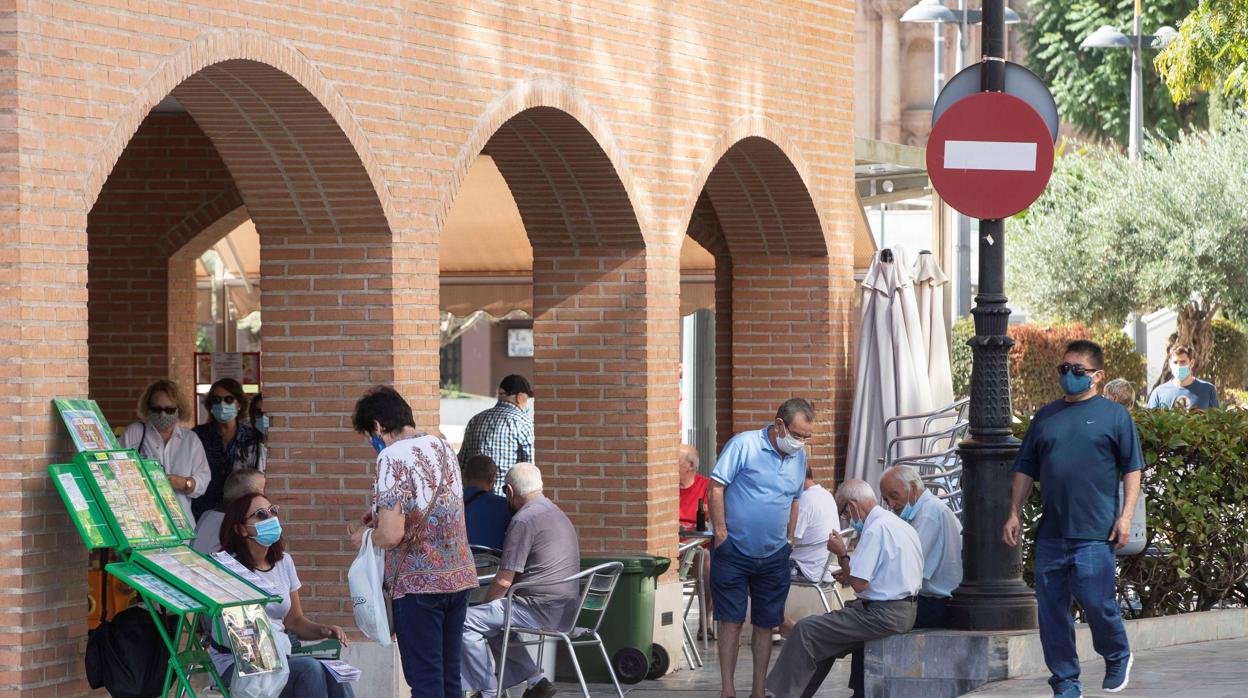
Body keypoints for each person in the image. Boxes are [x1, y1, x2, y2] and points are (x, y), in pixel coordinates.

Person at [1003, 339, 1143, 698]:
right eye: (1064, 369)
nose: (1069, 376)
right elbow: (1024, 469)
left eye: (1077, 371)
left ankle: (1117, 653)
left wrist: (1125, 517)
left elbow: (1132, 470)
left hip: (1096, 531)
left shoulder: (1115, 417)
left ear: (1097, 376)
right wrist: (1013, 513)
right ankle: (1065, 682)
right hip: (1051, 532)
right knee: (1052, 616)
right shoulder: (1045, 417)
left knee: (1097, 602)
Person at [350, 386, 476, 698]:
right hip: (458, 574)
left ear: (378, 426)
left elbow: (391, 535)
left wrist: (365, 538)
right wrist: (379, 511)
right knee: (449, 677)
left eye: (369, 435)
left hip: (418, 585)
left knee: (425, 680)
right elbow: (432, 500)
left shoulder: (390, 456)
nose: (372, 442)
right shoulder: (442, 444)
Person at [765, 480, 922, 698]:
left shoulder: (875, 529)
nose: (847, 520)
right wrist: (847, 571)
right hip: (899, 609)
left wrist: (842, 553)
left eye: (844, 513)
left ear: (852, 506)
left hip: (883, 614)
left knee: (806, 630)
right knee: (821, 639)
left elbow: (859, 584)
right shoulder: (896, 524)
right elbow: (879, 576)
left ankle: (780, 694)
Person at [709, 398, 812, 698]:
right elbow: (716, 486)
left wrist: (790, 538)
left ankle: (758, 692)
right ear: (779, 424)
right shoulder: (744, 445)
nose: (801, 442)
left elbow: (795, 497)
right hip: (734, 550)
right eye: (798, 435)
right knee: (730, 621)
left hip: (774, 553)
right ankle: (727, 690)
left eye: (807, 437)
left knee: (767, 624)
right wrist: (721, 534)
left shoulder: (799, 457)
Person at [211, 492, 352, 697]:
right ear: (241, 529)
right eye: (260, 515)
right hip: (242, 663)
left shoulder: (284, 562)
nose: (271, 519)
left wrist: (324, 630)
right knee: (309, 670)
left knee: (335, 672)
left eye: (273, 511)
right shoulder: (228, 569)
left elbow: (294, 621)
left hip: (282, 654)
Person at [461, 463, 576, 698]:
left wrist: (485, 605)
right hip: (566, 609)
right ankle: (535, 681)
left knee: (464, 621)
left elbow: (504, 581)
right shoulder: (556, 512)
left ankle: (487, 691)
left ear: (510, 492)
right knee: (494, 620)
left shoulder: (524, 520)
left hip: (538, 609)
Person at [879, 465, 961, 629]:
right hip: (932, 600)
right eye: (887, 500)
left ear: (913, 488)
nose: (891, 505)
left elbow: (908, 568)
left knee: (873, 619)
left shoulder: (929, 513)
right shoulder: (922, 511)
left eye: (894, 496)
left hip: (939, 603)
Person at [121, 379, 210, 523]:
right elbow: (119, 472)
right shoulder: (135, 433)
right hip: (143, 521)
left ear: (179, 410)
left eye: (169, 410)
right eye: (157, 409)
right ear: (148, 408)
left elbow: (203, 480)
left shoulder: (190, 440)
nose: (162, 415)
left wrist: (184, 483)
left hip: (180, 522)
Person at [777, 467, 840, 637]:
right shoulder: (825, 494)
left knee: (754, 574)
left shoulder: (804, 500)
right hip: (823, 563)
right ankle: (775, 623)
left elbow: (790, 538)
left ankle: (782, 624)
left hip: (806, 567)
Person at [192, 378, 265, 520]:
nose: (222, 404)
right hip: (203, 512)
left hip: (240, 513)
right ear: (210, 405)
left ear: (239, 404)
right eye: (217, 400)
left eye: (229, 399)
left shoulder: (252, 438)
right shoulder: (197, 436)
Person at [457, 375, 535, 495]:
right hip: (506, 503)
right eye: (527, 398)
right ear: (519, 397)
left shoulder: (476, 420)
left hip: (474, 501)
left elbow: (461, 465)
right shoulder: (523, 423)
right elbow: (529, 470)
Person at [193, 468, 265, 554]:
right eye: (262, 489)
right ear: (251, 496)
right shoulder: (236, 525)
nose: (264, 495)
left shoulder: (207, 515)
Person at [462, 454, 512, 551]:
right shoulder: (504, 505)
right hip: (491, 562)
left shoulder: (453, 502)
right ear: (491, 478)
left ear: (464, 476)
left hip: (461, 561)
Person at [1146, 344, 1218, 410]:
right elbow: (1149, 421)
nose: (1179, 366)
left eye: (1183, 362)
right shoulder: (1159, 392)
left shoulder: (1208, 390)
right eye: (1175, 362)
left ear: (1191, 363)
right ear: (1170, 364)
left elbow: (1216, 421)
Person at [678, 444, 710, 529]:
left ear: (691, 465)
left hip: (697, 539)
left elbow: (713, 524)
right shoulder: (664, 488)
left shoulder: (708, 487)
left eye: (675, 463)